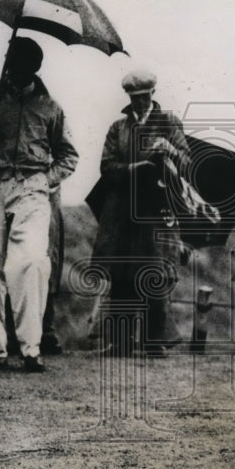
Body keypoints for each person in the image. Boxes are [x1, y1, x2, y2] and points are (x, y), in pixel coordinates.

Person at [0, 37, 78, 372]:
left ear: (33, 69)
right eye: (10, 61)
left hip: (31, 186)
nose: (12, 69)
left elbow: (68, 156)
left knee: (32, 262)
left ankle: (31, 349)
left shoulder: (50, 106)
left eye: (21, 64)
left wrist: (44, 181)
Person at [91, 69, 191, 357]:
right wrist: (134, 169)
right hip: (122, 211)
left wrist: (169, 149)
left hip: (157, 209)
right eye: (134, 98)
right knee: (122, 273)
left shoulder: (169, 123)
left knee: (155, 271)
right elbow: (106, 167)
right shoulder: (118, 128)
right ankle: (120, 342)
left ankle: (154, 341)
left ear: (153, 94)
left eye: (143, 97)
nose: (139, 102)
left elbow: (187, 164)